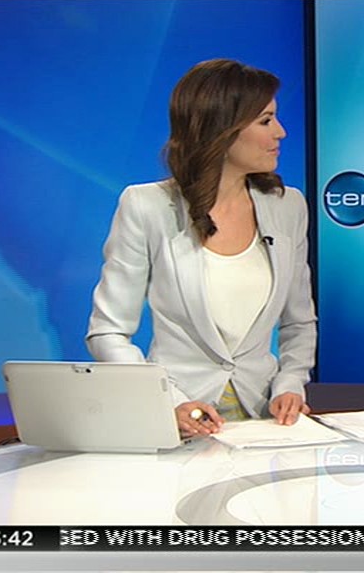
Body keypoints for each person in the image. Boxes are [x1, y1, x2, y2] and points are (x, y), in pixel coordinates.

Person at [86, 59, 317, 435]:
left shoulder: (287, 206)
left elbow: (299, 321)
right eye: (265, 121)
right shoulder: (146, 205)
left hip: (264, 425)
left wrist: (290, 384)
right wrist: (167, 402)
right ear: (223, 128)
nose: (281, 132)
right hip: (178, 423)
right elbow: (107, 332)